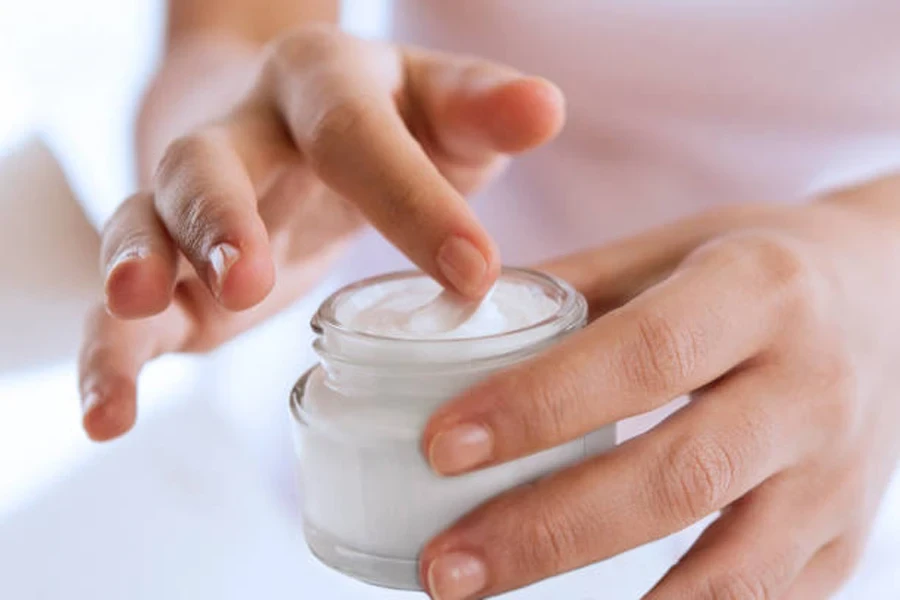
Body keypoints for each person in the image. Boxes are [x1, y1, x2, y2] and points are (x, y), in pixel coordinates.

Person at [77, 1, 900, 598]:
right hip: (362, 359)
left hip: (842, 421)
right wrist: (224, 147)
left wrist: (878, 259)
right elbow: (234, 28)